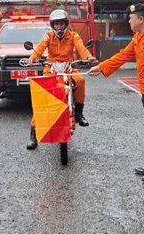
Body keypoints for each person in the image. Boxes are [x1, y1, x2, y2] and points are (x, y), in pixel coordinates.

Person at [88, 3, 144, 185]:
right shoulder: (139, 37)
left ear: (141, 19)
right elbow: (123, 55)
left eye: (131, 18)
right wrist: (102, 67)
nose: (129, 20)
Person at [25, 9, 97, 149]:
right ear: (52, 25)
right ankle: (33, 134)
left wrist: (88, 57)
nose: (59, 27)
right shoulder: (48, 36)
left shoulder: (73, 36)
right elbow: (39, 49)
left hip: (69, 67)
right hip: (51, 68)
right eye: (56, 25)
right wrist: (32, 58)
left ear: (66, 24)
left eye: (62, 24)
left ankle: (79, 113)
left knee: (81, 81)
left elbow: (81, 48)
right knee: (44, 96)